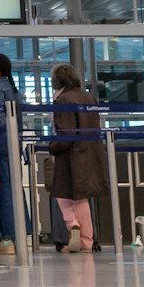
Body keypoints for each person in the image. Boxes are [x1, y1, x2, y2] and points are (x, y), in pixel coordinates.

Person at [46, 64, 108, 252]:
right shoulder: (87, 96)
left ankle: (73, 224)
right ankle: (86, 241)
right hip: (91, 151)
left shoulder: (63, 99)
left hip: (70, 154)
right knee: (81, 197)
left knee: (62, 192)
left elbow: (66, 131)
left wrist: (53, 146)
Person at [0, 53, 30, 254]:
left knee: (4, 192)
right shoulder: (13, 89)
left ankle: (9, 238)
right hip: (12, 144)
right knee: (15, 189)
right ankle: (21, 233)